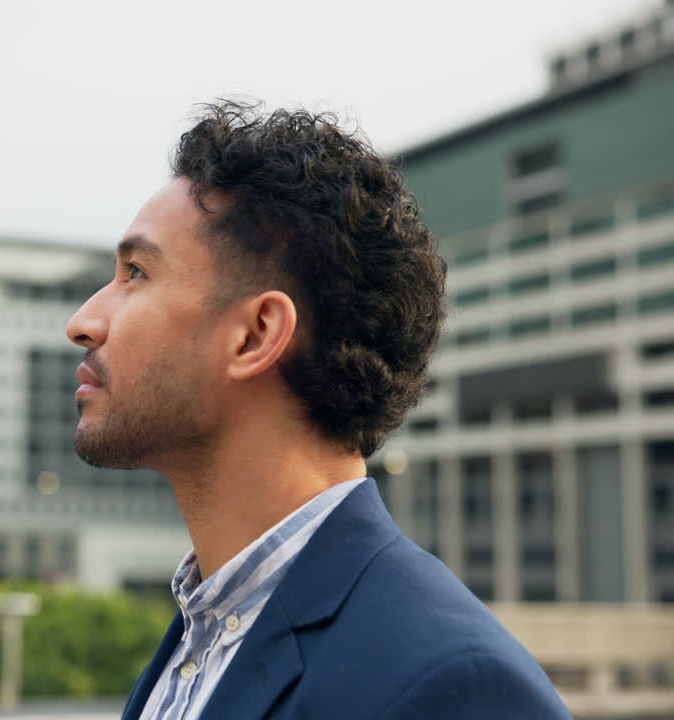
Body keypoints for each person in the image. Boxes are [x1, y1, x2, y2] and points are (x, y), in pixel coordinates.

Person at [65, 100, 570, 719]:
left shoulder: (453, 683)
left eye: (136, 273)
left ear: (256, 334)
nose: (83, 322)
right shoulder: (202, 635)